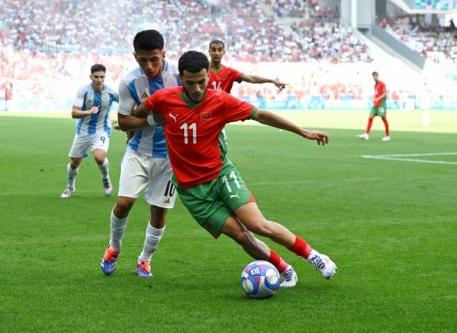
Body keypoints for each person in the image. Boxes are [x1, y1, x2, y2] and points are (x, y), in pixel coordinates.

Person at [119, 50, 337, 288]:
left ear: (208, 78)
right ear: (181, 78)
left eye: (202, 82)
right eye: (190, 83)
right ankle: (284, 269)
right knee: (242, 236)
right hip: (192, 192)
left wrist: (304, 132)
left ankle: (314, 256)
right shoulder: (163, 98)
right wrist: (135, 128)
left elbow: (260, 115)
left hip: (221, 175)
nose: (197, 89)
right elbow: (137, 114)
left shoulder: (220, 101)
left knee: (257, 224)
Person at [101, 30, 181, 278]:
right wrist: (152, 120)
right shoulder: (129, 82)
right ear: (135, 56)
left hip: (170, 157)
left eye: (154, 59)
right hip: (139, 152)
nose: (149, 66)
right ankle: (113, 248)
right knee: (124, 202)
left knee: (159, 211)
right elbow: (123, 121)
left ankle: (145, 259)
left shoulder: (180, 75)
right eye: (142, 60)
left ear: (163, 54)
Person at [208, 39, 287, 154]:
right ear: (209, 52)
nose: (216, 53)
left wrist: (271, 80)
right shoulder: (203, 71)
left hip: (220, 115)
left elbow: (250, 78)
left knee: (219, 150)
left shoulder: (229, 72)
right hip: (204, 112)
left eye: (219, 50)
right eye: (213, 50)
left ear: (223, 52)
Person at [61, 64, 119, 198]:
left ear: (105, 77)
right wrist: (89, 111)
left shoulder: (111, 92)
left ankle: (106, 179)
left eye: (102, 77)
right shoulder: (84, 91)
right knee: (74, 163)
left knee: (99, 157)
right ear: (91, 77)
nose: (99, 80)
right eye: (96, 77)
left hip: (102, 130)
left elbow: (125, 104)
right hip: (83, 131)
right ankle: (70, 187)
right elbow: (74, 113)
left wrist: (121, 121)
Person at [358, 71, 390, 141]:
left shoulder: (382, 84)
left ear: (377, 76)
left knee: (384, 119)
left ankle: (387, 136)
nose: (374, 78)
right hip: (376, 105)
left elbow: (385, 94)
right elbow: (377, 93)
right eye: (373, 76)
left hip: (381, 105)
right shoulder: (375, 85)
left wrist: (378, 98)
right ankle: (366, 134)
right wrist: (374, 98)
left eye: (375, 76)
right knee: (370, 117)